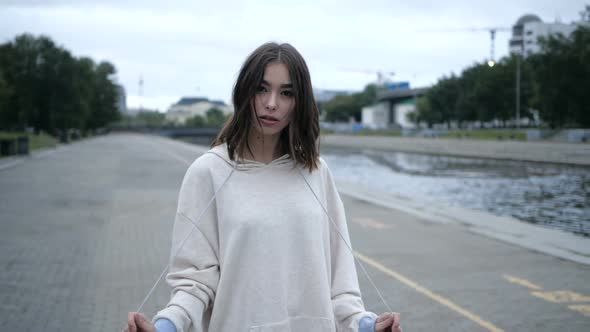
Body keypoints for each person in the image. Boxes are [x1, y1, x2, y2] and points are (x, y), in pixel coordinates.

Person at [125, 42, 402, 332]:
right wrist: (166, 326)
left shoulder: (317, 173)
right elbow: (194, 282)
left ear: (300, 101)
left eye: (286, 93)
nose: (271, 103)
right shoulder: (206, 172)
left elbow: (340, 287)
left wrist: (367, 324)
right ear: (245, 91)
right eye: (261, 88)